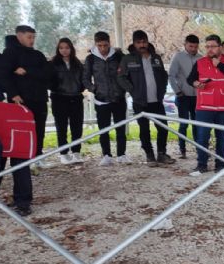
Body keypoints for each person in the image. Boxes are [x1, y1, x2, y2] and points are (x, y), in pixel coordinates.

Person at [187, 35, 224, 175]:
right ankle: (202, 165)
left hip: (223, 106)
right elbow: (190, 79)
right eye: (207, 46)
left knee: (221, 137)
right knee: (202, 136)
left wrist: (220, 65)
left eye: (212, 46)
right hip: (204, 106)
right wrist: (196, 84)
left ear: (220, 47)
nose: (209, 49)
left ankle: (220, 165)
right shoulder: (200, 62)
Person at [117, 30, 175, 166]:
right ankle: (149, 155)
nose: (142, 45)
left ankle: (161, 153)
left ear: (147, 42)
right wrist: (133, 90)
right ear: (134, 43)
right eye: (139, 42)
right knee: (144, 129)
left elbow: (163, 76)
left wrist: (163, 89)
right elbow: (120, 77)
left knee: (163, 127)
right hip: (140, 101)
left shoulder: (156, 58)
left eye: (144, 42)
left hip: (157, 100)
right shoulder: (128, 59)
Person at [0, 25, 51, 166]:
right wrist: (13, 94)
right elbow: (1, 75)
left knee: (39, 129)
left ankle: (38, 155)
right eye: (29, 37)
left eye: (34, 37)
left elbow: (48, 74)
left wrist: (27, 71)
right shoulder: (10, 54)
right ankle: (22, 158)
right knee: (22, 130)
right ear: (19, 36)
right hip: (20, 100)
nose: (32, 40)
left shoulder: (38, 54)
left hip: (39, 98)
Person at [82, 31, 129, 166]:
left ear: (109, 43)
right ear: (96, 44)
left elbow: (126, 71)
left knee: (121, 128)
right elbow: (85, 78)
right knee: (104, 129)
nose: (103, 48)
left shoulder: (119, 55)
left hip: (118, 97)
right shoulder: (90, 58)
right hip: (101, 99)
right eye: (100, 45)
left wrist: (124, 88)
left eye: (105, 45)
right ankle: (107, 155)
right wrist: (93, 89)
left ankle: (122, 154)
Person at [50, 38, 85, 165]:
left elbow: (83, 79)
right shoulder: (53, 63)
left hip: (76, 97)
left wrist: (80, 89)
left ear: (71, 48)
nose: (64, 50)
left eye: (67, 47)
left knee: (77, 127)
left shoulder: (77, 63)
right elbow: (49, 80)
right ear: (58, 49)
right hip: (59, 98)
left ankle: (76, 152)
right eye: (61, 48)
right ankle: (63, 154)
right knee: (61, 127)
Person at [168, 34, 201, 159]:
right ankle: (182, 150)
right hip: (183, 96)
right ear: (185, 45)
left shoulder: (201, 58)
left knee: (197, 123)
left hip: (197, 96)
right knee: (183, 124)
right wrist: (178, 92)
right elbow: (171, 75)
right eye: (191, 46)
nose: (193, 49)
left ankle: (199, 149)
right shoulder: (178, 57)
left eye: (195, 47)